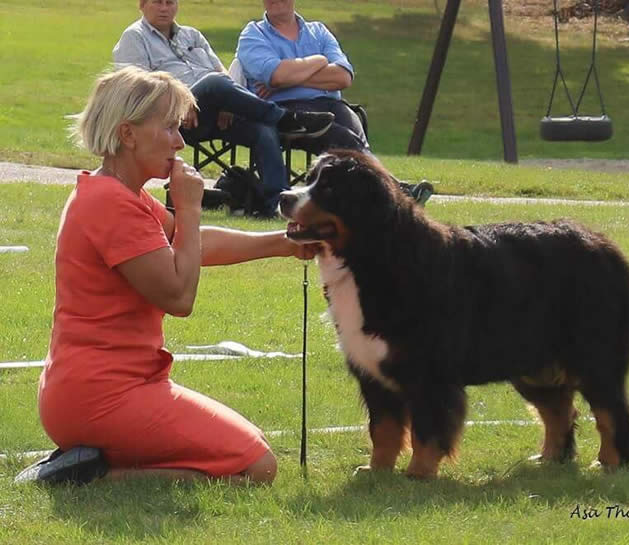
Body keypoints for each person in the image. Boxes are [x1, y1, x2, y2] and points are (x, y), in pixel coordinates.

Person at [17, 67, 317, 486]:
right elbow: (178, 297)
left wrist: (282, 244)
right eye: (171, 128)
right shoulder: (111, 204)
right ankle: (92, 478)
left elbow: (190, 244)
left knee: (250, 450)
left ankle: (88, 464)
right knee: (256, 467)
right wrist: (190, 207)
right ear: (128, 134)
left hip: (104, 389)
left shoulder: (121, 194)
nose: (180, 142)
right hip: (102, 396)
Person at [113, 0, 335, 217]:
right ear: (142, 5)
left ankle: (275, 204)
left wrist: (228, 103)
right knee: (213, 83)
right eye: (157, 2)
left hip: (213, 112)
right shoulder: (134, 37)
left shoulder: (191, 35)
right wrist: (182, 99)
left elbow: (222, 73)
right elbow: (137, 90)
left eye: (169, 3)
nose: (164, 8)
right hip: (171, 119)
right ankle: (287, 119)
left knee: (262, 128)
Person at [236, 0, 433, 205]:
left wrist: (287, 80)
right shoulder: (253, 34)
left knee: (355, 135)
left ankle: (380, 195)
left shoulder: (318, 31)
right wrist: (319, 61)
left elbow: (343, 77)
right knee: (344, 139)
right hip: (287, 113)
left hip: (331, 104)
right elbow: (276, 75)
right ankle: (396, 193)